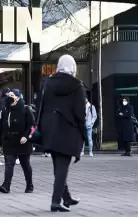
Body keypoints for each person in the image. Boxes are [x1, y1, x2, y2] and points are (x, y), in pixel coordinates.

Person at [39, 55, 86, 212]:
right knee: (62, 167)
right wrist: (84, 134)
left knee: (58, 165)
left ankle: (66, 197)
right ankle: (55, 201)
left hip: (49, 129)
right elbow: (80, 114)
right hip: (68, 130)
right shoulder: (77, 86)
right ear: (73, 68)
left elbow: (42, 106)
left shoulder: (48, 83)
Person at [0, 89, 35, 194]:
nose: (9, 97)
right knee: (9, 163)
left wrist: (26, 136)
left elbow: (32, 125)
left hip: (22, 141)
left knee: (25, 164)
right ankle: (6, 185)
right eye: (8, 95)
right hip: (9, 141)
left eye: (11, 95)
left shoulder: (25, 109)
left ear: (17, 98)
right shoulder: (6, 110)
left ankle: (29, 185)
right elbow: (1, 127)